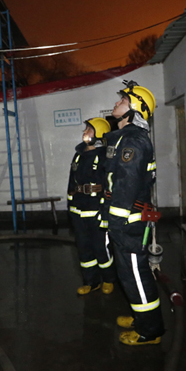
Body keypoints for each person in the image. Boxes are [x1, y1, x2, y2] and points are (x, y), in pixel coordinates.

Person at [104, 80, 164, 345]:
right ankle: (141, 317)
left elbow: (126, 186)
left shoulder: (134, 142)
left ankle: (150, 331)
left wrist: (115, 222)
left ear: (134, 111)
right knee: (128, 274)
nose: (117, 103)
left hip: (128, 221)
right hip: (126, 219)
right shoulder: (125, 139)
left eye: (123, 101)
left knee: (136, 275)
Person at [67, 118, 116, 295]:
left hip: (96, 210)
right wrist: (70, 206)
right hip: (78, 210)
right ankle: (91, 281)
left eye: (89, 129)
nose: (85, 132)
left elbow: (110, 185)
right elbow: (71, 182)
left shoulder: (105, 156)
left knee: (100, 247)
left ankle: (108, 279)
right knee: (83, 248)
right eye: (86, 129)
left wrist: (105, 211)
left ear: (99, 134)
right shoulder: (78, 154)